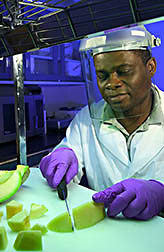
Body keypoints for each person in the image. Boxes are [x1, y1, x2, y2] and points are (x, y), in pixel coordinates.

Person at [40, 25, 164, 221]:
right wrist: (62, 154)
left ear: (150, 68)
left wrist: (161, 192)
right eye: (102, 75)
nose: (112, 83)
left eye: (124, 71)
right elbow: (69, 151)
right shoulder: (86, 120)